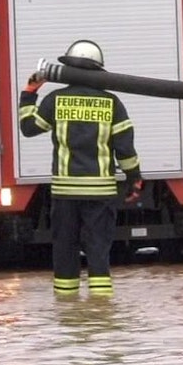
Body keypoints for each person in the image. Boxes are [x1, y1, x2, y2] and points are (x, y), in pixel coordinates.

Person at [18, 40, 143, 296]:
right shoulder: (112, 103)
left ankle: (66, 309)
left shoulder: (55, 100)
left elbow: (28, 129)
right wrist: (135, 179)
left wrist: (29, 92)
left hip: (65, 193)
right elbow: (126, 151)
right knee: (98, 250)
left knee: (65, 249)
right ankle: (100, 311)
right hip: (101, 193)